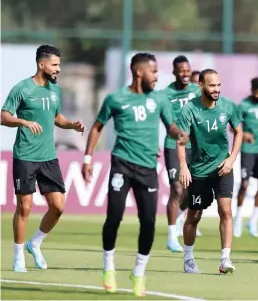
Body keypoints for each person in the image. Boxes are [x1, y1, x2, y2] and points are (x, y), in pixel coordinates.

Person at [81, 53, 188, 296]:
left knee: (149, 222)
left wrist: (179, 133)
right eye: (154, 70)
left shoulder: (159, 99)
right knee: (114, 216)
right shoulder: (116, 99)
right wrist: (87, 158)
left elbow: (170, 126)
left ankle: (138, 273)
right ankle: (108, 268)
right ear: (139, 72)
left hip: (148, 168)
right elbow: (98, 126)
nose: (157, 75)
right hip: (122, 164)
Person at [1, 45, 86, 272]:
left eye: (59, 64)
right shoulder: (22, 88)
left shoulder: (55, 91)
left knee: (58, 207)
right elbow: (3, 116)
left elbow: (57, 117)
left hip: (49, 157)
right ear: (42, 64)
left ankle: (35, 243)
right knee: (25, 207)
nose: (58, 69)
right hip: (26, 156)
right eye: (55, 64)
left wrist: (72, 125)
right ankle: (18, 256)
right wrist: (24, 122)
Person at [177, 69, 243, 274]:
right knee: (194, 216)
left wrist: (231, 159)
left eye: (219, 85)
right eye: (212, 85)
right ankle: (188, 259)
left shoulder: (228, 106)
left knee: (225, 211)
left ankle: (225, 260)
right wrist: (183, 166)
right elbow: (180, 141)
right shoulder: (190, 109)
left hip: (223, 168)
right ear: (201, 86)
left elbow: (239, 132)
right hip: (199, 170)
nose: (216, 89)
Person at [162, 55, 202, 253]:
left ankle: (179, 219)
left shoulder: (197, 90)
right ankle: (171, 236)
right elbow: (163, 120)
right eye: (181, 70)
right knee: (177, 189)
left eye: (187, 70)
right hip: (173, 144)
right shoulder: (166, 94)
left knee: (193, 191)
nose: (185, 74)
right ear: (174, 72)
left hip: (194, 146)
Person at [234, 77, 258, 238]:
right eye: (257, 93)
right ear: (252, 91)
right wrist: (243, 134)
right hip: (248, 149)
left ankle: (253, 220)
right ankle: (238, 218)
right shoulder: (243, 105)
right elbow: (233, 126)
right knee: (244, 184)